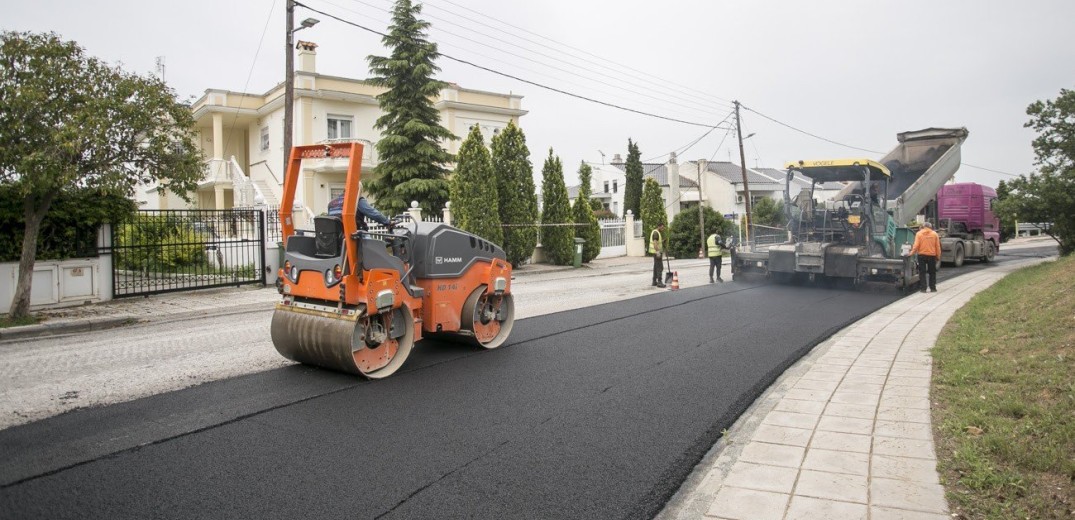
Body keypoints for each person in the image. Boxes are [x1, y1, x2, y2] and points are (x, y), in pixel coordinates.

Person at [327, 181, 392, 230]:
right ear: (358, 190)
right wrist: (387, 222)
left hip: (337, 239)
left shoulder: (331, 203)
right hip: (354, 236)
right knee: (375, 246)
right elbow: (373, 213)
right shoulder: (357, 201)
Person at [906, 221, 941, 292]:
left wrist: (911, 253)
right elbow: (937, 246)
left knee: (922, 272)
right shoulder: (935, 234)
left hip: (921, 255)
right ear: (930, 227)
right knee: (932, 272)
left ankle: (923, 288)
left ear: (923, 226)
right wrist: (938, 256)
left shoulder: (919, 234)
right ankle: (933, 288)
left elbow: (916, 245)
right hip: (932, 255)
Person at [649, 223, 666, 288]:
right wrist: (658, 252)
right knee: (660, 267)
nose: (663, 229)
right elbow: (655, 243)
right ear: (658, 226)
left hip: (655, 252)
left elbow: (657, 242)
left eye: (663, 227)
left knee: (656, 267)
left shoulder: (656, 232)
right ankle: (659, 282)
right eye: (662, 227)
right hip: (656, 253)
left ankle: (654, 281)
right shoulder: (656, 233)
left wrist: (662, 241)